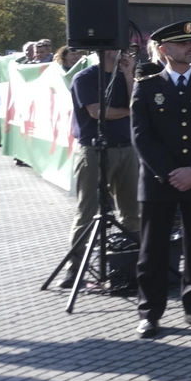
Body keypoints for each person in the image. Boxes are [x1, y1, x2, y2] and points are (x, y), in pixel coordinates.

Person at [129, 21, 191, 338]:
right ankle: (150, 313)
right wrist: (170, 173)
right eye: (181, 43)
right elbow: (141, 137)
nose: (190, 47)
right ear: (163, 50)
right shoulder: (146, 87)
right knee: (152, 251)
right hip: (160, 181)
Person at [64, 49, 140, 282]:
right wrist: (130, 112)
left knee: (132, 210)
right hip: (94, 151)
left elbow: (136, 101)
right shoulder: (85, 78)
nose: (119, 52)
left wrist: (128, 75)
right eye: (114, 48)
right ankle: (74, 268)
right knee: (86, 211)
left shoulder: (124, 75)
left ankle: (129, 264)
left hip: (127, 148)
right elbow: (98, 112)